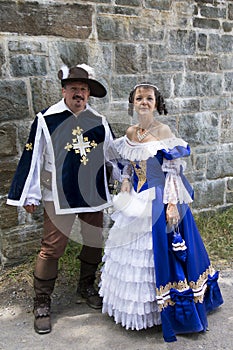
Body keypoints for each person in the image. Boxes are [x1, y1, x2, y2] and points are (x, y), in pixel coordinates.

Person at [99, 82, 223, 342]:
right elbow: (128, 165)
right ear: (132, 102)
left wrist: (170, 204)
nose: (144, 102)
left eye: (149, 98)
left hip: (159, 199)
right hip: (135, 198)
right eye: (139, 98)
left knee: (164, 253)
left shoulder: (163, 130)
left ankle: (169, 312)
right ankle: (140, 311)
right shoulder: (131, 132)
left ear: (157, 103)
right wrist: (124, 183)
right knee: (132, 256)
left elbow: (173, 171)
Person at [7, 63, 118, 334]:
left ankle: (86, 286)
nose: (79, 93)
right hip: (57, 195)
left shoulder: (98, 121)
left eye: (83, 89)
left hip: (92, 193)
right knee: (51, 248)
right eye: (74, 88)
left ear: (89, 94)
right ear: (63, 90)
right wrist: (29, 194)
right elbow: (33, 159)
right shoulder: (47, 119)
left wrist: (124, 182)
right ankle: (42, 302)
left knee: (94, 240)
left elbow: (113, 156)